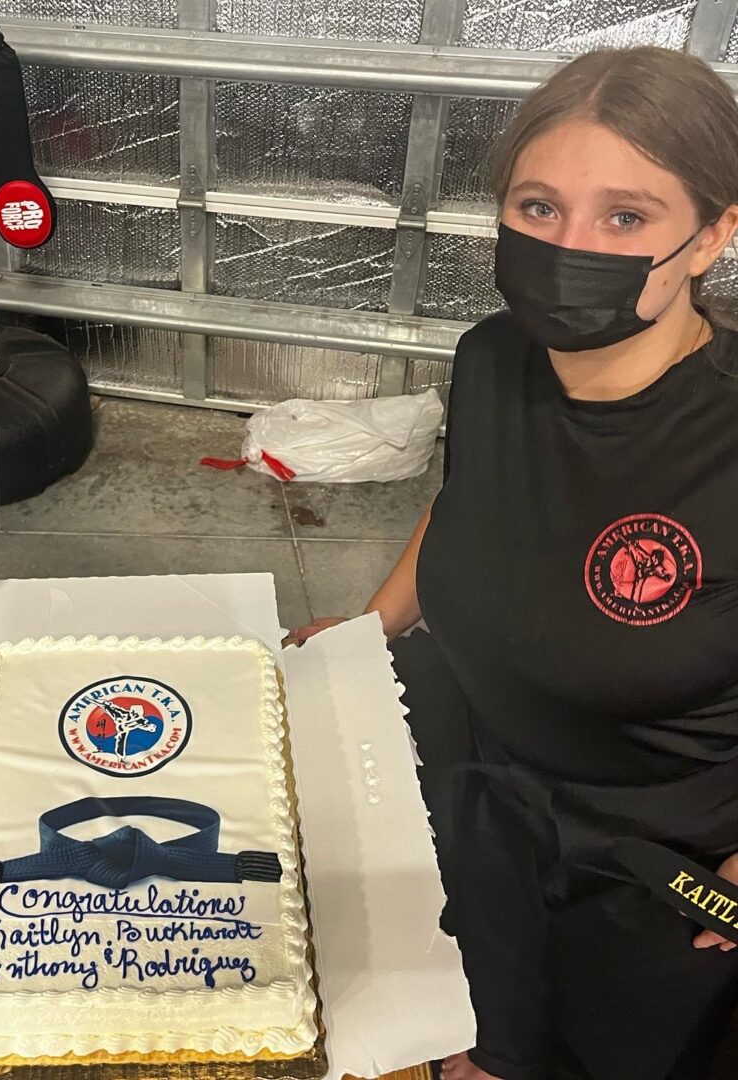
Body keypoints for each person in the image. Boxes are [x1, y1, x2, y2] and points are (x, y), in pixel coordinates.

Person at [290, 45, 738, 1080]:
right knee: (477, 1041)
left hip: (656, 870)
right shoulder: (492, 357)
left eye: (626, 217)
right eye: (539, 208)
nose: (570, 244)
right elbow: (467, 501)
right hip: (485, 798)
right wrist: (372, 627)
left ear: (713, 234)